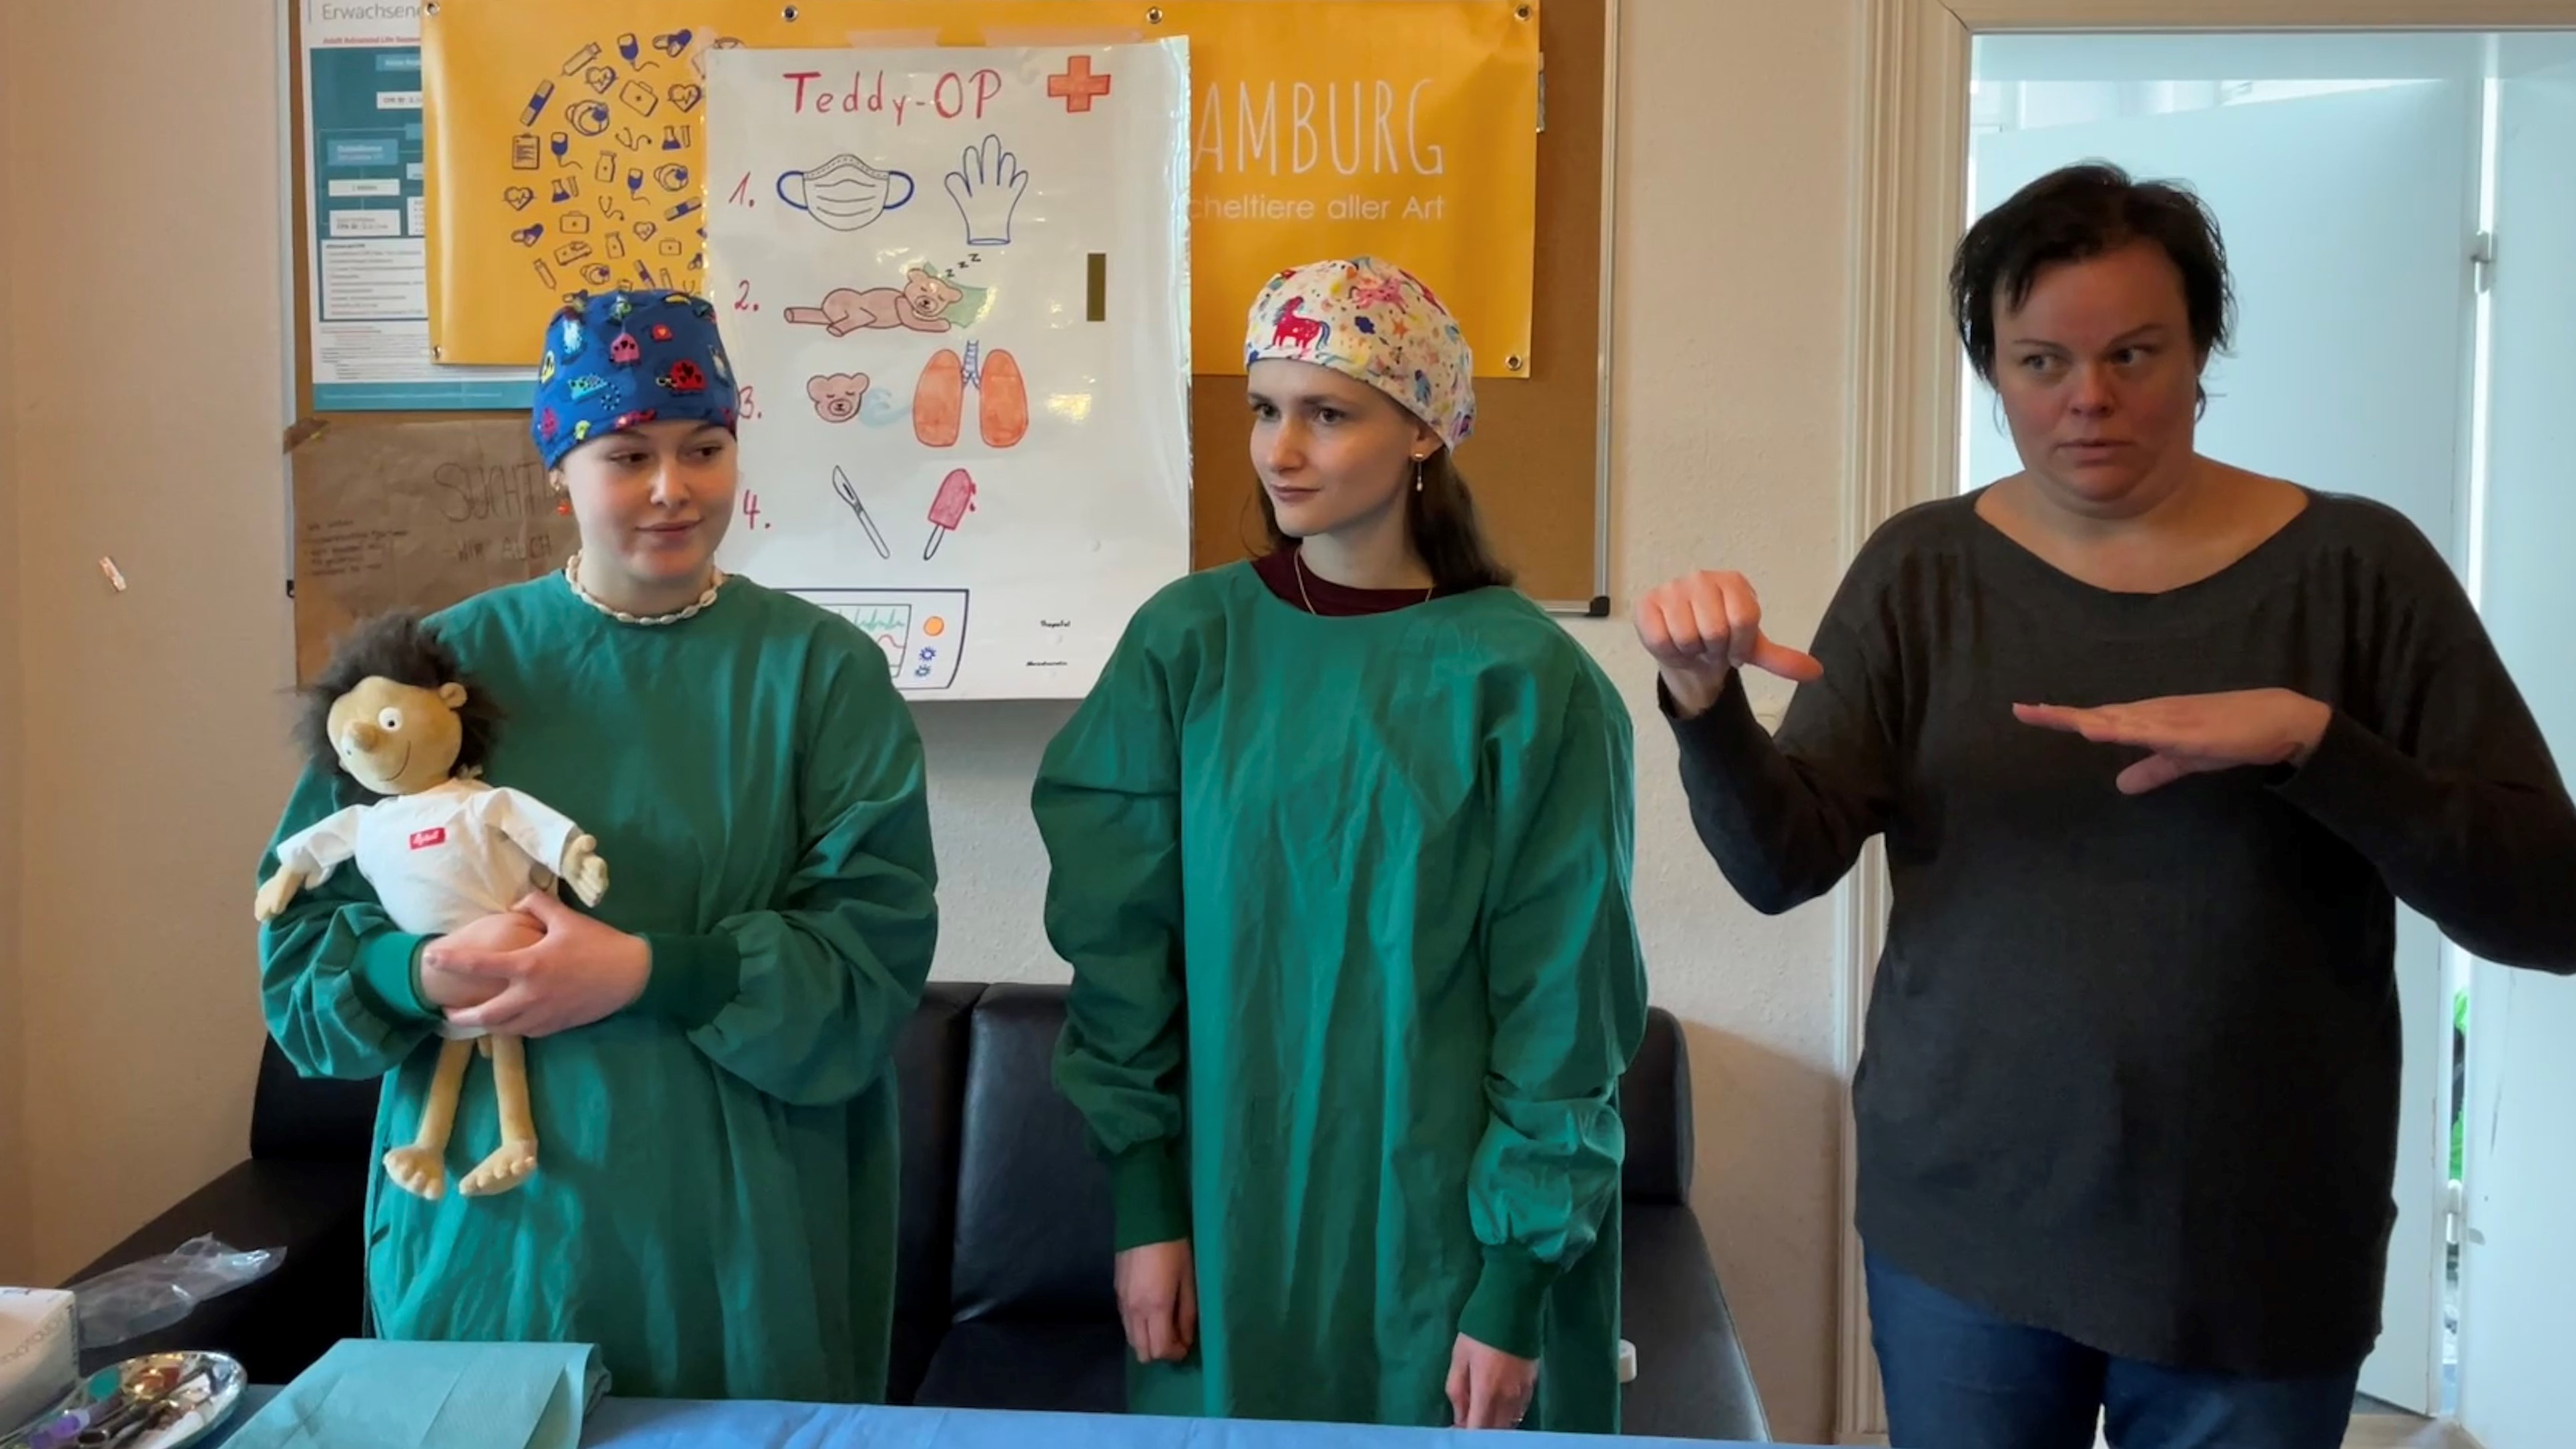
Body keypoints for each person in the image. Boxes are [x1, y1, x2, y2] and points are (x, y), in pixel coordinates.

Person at [1635, 160, 2576, 1449]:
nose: (2089, 400)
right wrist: (1705, 707)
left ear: (2203, 351)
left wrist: (2318, 744)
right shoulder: (1926, 571)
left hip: (2261, 1242)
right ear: (1994, 370)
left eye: (2135, 352)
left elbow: (2549, 906)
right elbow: (1781, 860)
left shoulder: (2361, 570)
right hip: (1966, 1229)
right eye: (2039, 363)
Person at [255, 289, 940, 1402]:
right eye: (626, 454)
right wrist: (418, 970)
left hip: (741, 1220)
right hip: (499, 1224)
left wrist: (644, 971)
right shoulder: (445, 671)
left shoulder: (820, 674)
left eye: (703, 448)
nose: (672, 488)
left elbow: (873, 951)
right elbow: (300, 947)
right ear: (558, 470)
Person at [1031, 258, 1648, 1432]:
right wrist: (1148, 1202)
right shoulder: (1188, 648)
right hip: (1228, 1221)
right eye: (1266, 409)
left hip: (1448, 1251)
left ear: (1425, 430)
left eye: (1328, 412)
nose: (1281, 451)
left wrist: (1515, 1283)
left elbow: (1564, 1006)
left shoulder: (1527, 685)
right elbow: (1121, 956)